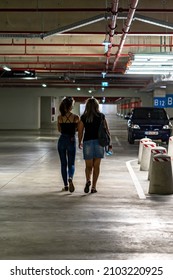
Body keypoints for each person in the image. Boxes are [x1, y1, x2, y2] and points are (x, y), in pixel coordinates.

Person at [78, 97, 111, 194]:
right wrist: (109, 142)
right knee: (96, 166)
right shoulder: (101, 116)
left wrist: (80, 141)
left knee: (88, 166)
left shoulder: (83, 117)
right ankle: (93, 187)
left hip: (87, 142)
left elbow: (80, 131)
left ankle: (88, 180)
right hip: (99, 143)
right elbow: (107, 130)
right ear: (97, 106)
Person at [57, 97, 80, 192]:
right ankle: (70, 177)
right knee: (71, 163)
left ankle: (66, 185)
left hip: (62, 140)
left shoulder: (59, 117)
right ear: (71, 106)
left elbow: (59, 130)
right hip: (71, 140)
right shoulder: (75, 117)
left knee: (63, 164)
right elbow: (78, 129)